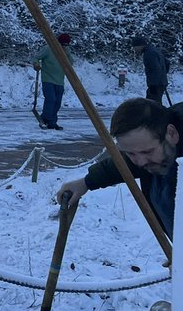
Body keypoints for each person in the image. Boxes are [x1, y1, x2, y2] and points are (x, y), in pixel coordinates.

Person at [56, 97, 180, 239]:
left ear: (172, 133)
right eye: (131, 153)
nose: (139, 162)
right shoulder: (158, 155)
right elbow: (123, 165)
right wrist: (86, 182)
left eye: (147, 152)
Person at [32, 33, 72, 130]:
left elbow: (71, 62)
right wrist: (36, 64)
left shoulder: (67, 51)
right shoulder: (48, 49)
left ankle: (52, 121)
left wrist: (67, 54)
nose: (64, 47)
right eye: (62, 44)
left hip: (59, 80)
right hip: (48, 79)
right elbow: (36, 57)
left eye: (66, 45)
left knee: (57, 102)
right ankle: (46, 119)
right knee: (51, 99)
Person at [132, 36, 170, 105]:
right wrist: (163, 75)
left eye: (135, 48)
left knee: (152, 107)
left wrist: (153, 85)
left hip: (156, 85)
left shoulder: (149, 54)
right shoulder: (154, 50)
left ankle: (160, 115)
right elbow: (167, 62)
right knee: (153, 104)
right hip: (160, 83)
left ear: (140, 45)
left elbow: (156, 69)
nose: (135, 50)